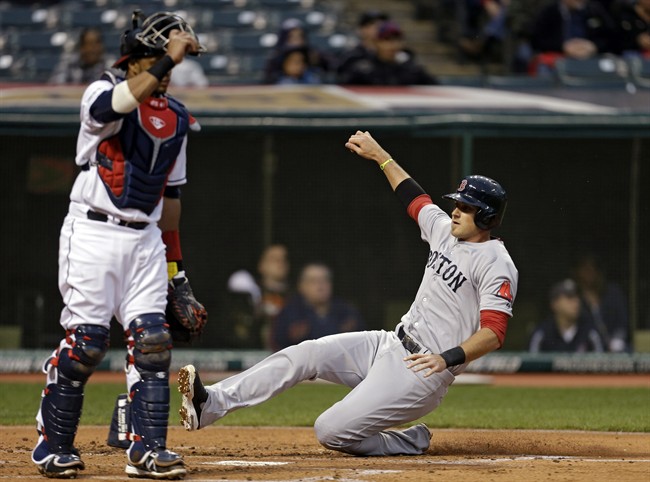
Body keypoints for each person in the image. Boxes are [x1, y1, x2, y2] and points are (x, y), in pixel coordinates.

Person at [178, 131, 518, 457]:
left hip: (424, 371)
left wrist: (447, 358)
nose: (456, 210)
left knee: (330, 431)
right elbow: (415, 198)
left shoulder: (497, 263)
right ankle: (210, 405)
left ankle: (408, 441)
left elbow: (493, 333)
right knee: (303, 354)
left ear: (486, 216)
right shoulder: (445, 230)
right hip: (389, 343)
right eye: (457, 203)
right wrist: (380, 156)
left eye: (467, 206)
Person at [31, 11, 207, 479]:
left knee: (153, 343)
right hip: (92, 232)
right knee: (87, 343)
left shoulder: (176, 118)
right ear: (139, 58)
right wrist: (167, 59)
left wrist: (178, 274)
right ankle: (53, 444)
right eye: (161, 61)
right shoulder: (101, 91)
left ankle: (148, 450)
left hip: (145, 240)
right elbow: (114, 108)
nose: (171, 72)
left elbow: (170, 203)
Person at [270, 263, 364, 350]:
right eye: (313, 281)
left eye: (325, 280)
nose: (320, 286)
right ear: (301, 286)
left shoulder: (346, 311)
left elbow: (362, 343)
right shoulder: (289, 313)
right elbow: (279, 345)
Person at [225, 244, 291, 349]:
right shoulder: (248, 293)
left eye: (284, 259)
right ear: (261, 265)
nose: (280, 262)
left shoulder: (295, 297)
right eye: (274, 259)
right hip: (253, 353)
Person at [337, 21, 439, 85]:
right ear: (376, 42)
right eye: (387, 40)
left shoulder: (412, 69)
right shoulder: (362, 70)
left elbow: (435, 89)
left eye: (397, 40)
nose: (393, 45)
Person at [529, 0, 619, 72]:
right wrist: (563, 47)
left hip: (591, 57)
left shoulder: (594, 10)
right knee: (543, 68)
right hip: (559, 58)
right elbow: (537, 41)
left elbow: (611, 37)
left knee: (612, 65)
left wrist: (594, 46)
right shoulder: (549, 11)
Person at [529, 279, 605, 353]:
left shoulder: (590, 332)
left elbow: (602, 363)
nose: (576, 301)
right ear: (554, 303)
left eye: (577, 297)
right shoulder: (542, 334)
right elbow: (531, 363)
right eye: (569, 297)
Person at [574, 255, 630, 352]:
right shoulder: (575, 297)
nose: (589, 272)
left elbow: (622, 321)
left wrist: (618, 340)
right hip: (588, 348)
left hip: (616, 347)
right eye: (585, 268)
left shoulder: (613, 292)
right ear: (578, 271)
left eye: (592, 268)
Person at [263, 18, 334, 84]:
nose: (297, 40)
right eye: (292, 36)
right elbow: (268, 79)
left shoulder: (313, 53)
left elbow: (333, 66)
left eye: (300, 36)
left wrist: (315, 60)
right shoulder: (276, 56)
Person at [336, 10, 389, 76]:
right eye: (374, 24)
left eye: (383, 24)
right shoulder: (351, 57)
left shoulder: (394, 56)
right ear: (361, 29)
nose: (380, 28)